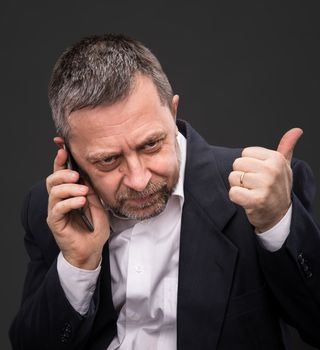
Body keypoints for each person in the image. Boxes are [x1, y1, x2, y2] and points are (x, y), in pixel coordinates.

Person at [10, 34, 320, 350]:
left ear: (172, 114)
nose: (139, 179)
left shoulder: (263, 190)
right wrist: (77, 264)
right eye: (108, 159)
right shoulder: (50, 209)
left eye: (151, 145)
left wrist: (277, 223)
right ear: (70, 153)